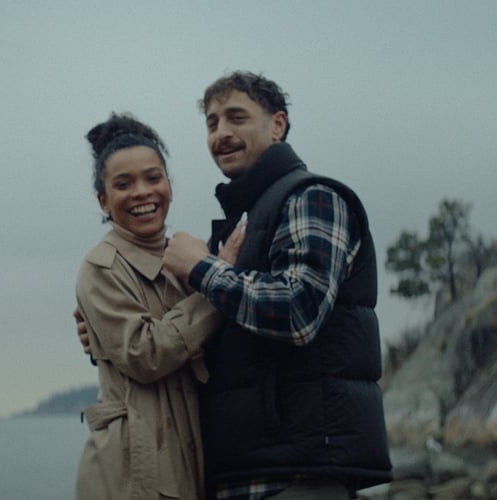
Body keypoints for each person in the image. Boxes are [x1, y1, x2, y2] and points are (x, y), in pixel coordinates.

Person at [160, 71, 392, 499]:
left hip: (299, 475)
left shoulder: (312, 197)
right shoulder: (246, 220)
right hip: (248, 471)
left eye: (236, 118)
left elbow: (299, 310)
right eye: (212, 123)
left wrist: (200, 268)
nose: (222, 134)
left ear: (278, 125)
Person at [73, 113, 243, 499]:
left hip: (190, 466)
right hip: (133, 476)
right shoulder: (101, 266)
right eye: (123, 184)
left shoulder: (188, 258)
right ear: (103, 199)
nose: (142, 192)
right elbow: (145, 354)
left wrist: (209, 274)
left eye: (153, 178)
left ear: (169, 184)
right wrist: (218, 283)